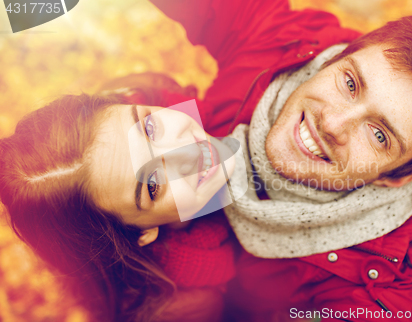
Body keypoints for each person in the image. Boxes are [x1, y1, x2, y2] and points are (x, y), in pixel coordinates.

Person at [149, 0, 412, 320]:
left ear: (394, 178)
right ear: (335, 58)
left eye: (379, 136)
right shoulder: (283, 41)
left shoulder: (370, 282)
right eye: (350, 84)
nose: (332, 125)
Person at [0, 80, 239, 322]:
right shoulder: (191, 307)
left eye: (149, 129)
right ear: (143, 233)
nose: (187, 150)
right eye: (153, 185)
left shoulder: (143, 92)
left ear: (127, 102)